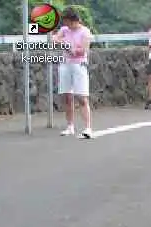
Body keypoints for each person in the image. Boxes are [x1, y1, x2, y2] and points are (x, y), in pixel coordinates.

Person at [53, 8, 93, 137]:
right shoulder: (64, 30)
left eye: (68, 22)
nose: (66, 24)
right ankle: (70, 126)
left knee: (82, 97)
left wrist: (71, 49)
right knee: (67, 96)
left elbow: (83, 50)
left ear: (74, 20)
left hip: (79, 65)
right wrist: (67, 45)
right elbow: (55, 39)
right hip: (65, 64)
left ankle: (87, 127)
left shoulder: (85, 31)